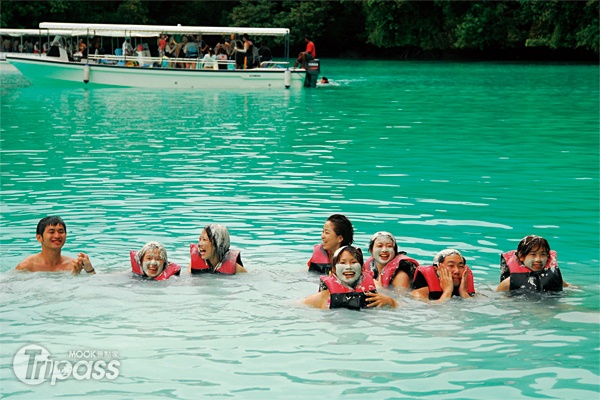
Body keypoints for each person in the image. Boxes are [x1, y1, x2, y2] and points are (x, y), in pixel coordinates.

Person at [304, 246, 398, 310]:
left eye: (353, 262)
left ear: (362, 268)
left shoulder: (374, 295)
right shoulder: (323, 297)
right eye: (342, 263)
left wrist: (391, 302)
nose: (348, 267)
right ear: (334, 269)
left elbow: (405, 307)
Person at [15, 216, 95, 275]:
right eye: (51, 232)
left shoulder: (73, 265)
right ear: (39, 237)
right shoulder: (28, 266)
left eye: (61, 231)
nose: (57, 236)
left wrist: (89, 270)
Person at [497, 235, 568, 293]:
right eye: (533, 254)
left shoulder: (553, 277)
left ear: (548, 256)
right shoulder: (508, 283)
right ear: (521, 256)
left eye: (543, 254)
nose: (538, 259)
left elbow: (569, 287)